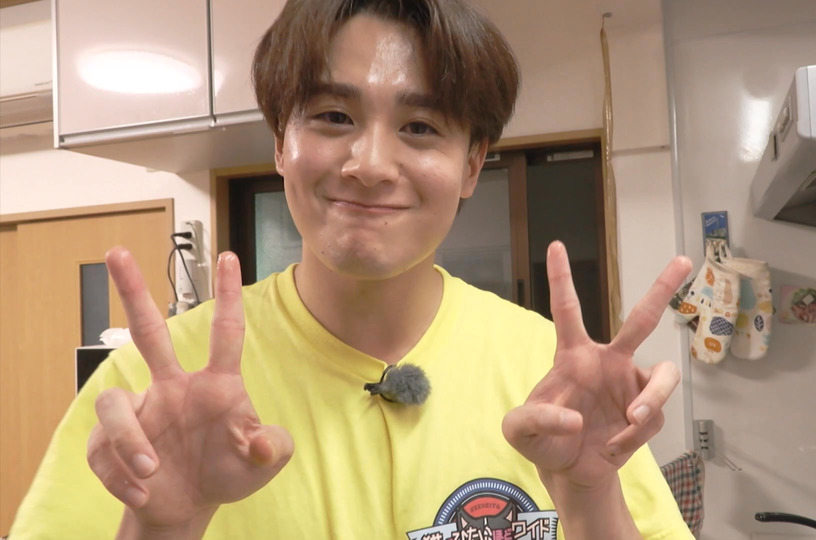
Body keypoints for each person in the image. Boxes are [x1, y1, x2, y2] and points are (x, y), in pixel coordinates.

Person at [10, 0, 694, 538]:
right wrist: (160, 528)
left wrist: (589, 495)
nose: (369, 165)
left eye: (420, 127)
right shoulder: (154, 388)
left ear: (472, 164)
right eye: (334, 116)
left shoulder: (551, 377)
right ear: (281, 143)